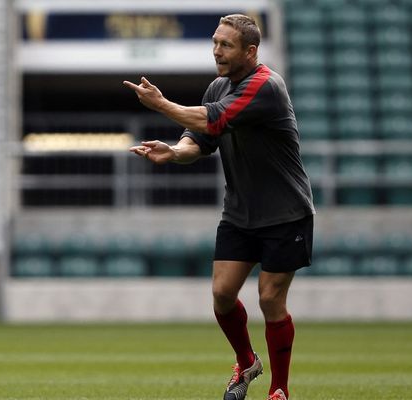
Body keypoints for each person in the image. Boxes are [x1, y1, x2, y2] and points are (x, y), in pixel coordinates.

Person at [123, 14, 315, 400]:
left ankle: (279, 391)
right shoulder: (218, 86)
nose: (216, 50)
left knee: (269, 298)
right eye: (214, 42)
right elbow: (199, 139)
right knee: (223, 294)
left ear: (251, 50)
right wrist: (175, 152)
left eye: (225, 45)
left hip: (286, 212)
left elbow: (212, 120)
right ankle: (246, 363)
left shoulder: (266, 86)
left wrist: (160, 104)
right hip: (240, 212)